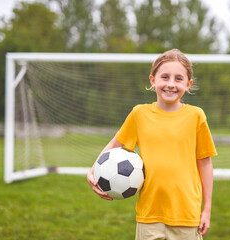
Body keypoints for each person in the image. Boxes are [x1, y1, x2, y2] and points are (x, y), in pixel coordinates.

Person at [87, 49, 217, 240]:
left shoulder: (196, 116)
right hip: (149, 214)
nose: (171, 84)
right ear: (152, 80)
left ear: (188, 84)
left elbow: (205, 163)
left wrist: (206, 209)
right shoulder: (139, 114)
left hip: (187, 214)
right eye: (165, 77)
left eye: (178, 79)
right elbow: (115, 145)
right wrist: (92, 171)